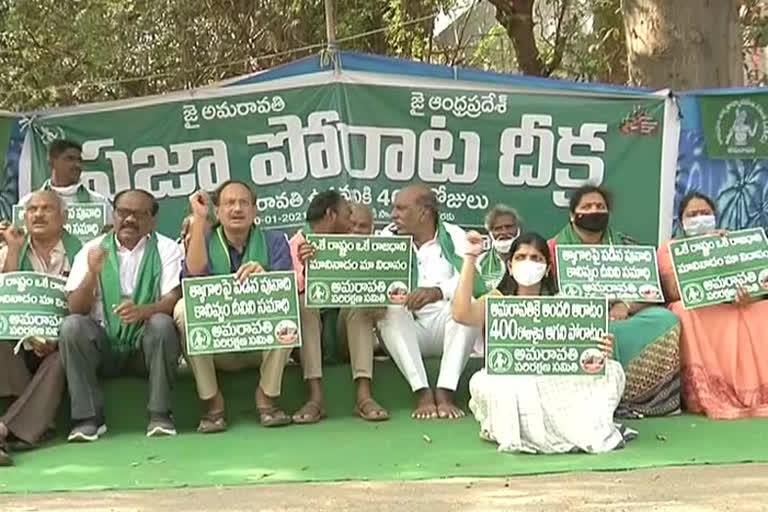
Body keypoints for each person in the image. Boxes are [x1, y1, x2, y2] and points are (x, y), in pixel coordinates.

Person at [452, 231, 633, 453]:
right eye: (521, 257)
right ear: (510, 266)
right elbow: (461, 314)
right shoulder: (497, 300)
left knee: (612, 371)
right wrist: (470, 258)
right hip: (511, 377)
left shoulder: (565, 303)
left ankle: (573, 431)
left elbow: (586, 354)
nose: (528, 263)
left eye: (536, 258)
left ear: (547, 268)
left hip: (554, 380)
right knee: (485, 382)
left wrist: (602, 351)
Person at [59, 189, 182, 441]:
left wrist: (142, 312)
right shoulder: (91, 249)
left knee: (161, 323)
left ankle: (160, 414)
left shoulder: (167, 249)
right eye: (123, 212)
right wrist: (92, 274)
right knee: (71, 326)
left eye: (139, 214)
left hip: (142, 346)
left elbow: (172, 299)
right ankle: (87, 419)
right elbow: (75, 308)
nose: (129, 219)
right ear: (113, 215)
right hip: (103, 345)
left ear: (152, 220)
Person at [548, 184, 680, 417]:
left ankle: (638, 396)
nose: (594, 210)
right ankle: (595, 396)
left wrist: (625, 305)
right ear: (572, 215)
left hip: (623, 318)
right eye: (586, 207)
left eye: (600, 206)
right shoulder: (552, 249)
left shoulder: (625, 245)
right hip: (577, 321)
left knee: (666, 319)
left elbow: (650, 289)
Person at [178, 181, 294, 431]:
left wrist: (265, 279)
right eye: (229, 203)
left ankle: (267, 395)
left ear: (255, 210)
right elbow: (193, 279)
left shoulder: (274, 242)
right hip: (218, 348)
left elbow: (286, 292)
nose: (237, 209)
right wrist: (199, 219)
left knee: (289, 308)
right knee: (182, 309)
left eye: (243, 203)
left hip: (261, 348)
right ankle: (212, 402)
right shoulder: (204, 239)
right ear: (217, 211)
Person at [377, 185, 484, 420]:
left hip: (448, 327)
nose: (394, 214)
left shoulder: (456, 236)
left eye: (401, 209)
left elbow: (474, 280)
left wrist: (438, 291)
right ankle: (422, 391)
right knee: (390, 310)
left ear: (425, 213)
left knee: (468, 305)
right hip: (409, 330)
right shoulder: (386, 239)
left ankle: (445, 390)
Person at [658, 191, 768, 419]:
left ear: (715, 216)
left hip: (732, 306)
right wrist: (702, 251)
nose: (700, 218)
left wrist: (750, 296)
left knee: (761, 310)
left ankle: (755, 392)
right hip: (699, 309)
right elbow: (672, 292)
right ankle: (711, 391)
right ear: (681, 221)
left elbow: (758, 286)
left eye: (705, 213)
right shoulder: (670, 250)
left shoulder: (731, 242)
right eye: (693, 214)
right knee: (682, 311)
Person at [289, 191, 387, 423]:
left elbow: (380, 298)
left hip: (344, 337)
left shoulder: (357, 249)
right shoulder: (296, 245)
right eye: (347, 214)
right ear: (331, 215)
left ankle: (364, 396)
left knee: (359, 302)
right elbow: (282, 301)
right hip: (309, 339)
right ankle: (315, 397)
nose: (352, 221)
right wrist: (307, 270)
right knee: (303, 303)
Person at [0, 191, 81, 465]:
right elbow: (7, 300)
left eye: (46, 209)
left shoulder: (81, 251)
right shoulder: (11, 247)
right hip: (20, 342)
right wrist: (12, 249)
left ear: (64, 217)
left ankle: (4, 428)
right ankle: (26, 425)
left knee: (63, 352)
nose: (38, 215)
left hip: (61, 342)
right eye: (32, 209)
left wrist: (55, 339)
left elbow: (89, 308)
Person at [335, 202, 389, 421]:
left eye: (363, 226)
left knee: (366, 306)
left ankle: (364, 396)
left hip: (377, 332)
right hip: (335, 338)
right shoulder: (322, 252)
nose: (356, 231)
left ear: (372, 230)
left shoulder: (383, 256)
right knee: (358, 306)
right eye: (351, 225)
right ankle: (364, 395)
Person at [18, 139, 112, 223]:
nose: (77, 165)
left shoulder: (98, 202)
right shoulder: (28, 203)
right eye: (70, 159)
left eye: (79, 160)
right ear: (51, 162)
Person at [476, 205, 521, 290]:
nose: (504, 232)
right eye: (498, 228)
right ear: (490, 233)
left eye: (509, 227)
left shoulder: (529, 258)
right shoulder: (480, 262)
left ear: (518, 229)